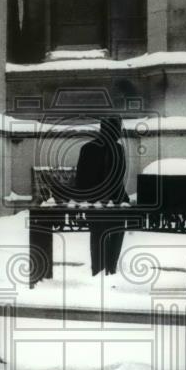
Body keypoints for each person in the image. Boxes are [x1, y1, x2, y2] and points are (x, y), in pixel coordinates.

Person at [74, 116, 128, 276]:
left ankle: (105, 271)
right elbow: (82, 179)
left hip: (106, 202)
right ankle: (103, 271)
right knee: (103, 234)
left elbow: (118, 178)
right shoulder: (93, 149)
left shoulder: (112, 149)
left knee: (104, 234)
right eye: (117, 129)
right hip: (98, 203)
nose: (119, 133)